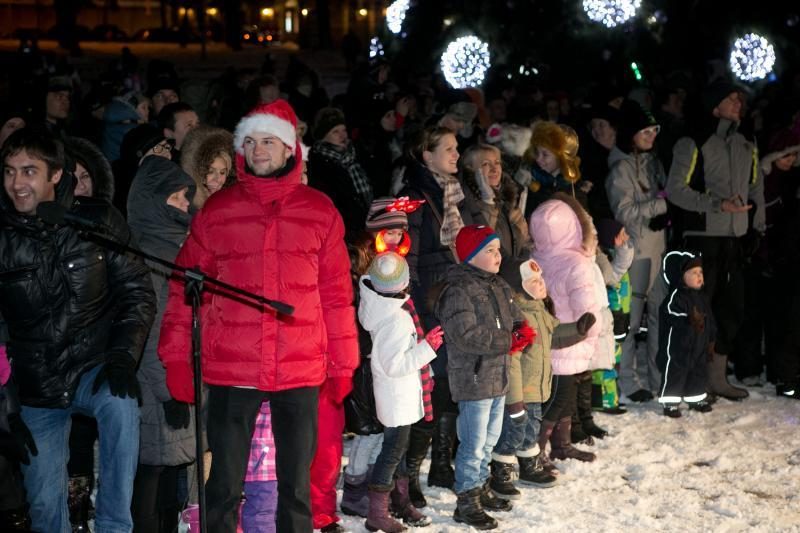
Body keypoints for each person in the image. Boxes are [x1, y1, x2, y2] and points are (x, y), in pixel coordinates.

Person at [158, 99, 358, 533]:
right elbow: (183, 291)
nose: (259, 150)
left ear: (291, 149)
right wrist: (177, 357)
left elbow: (337, 297)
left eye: (269, 141)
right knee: (225, 484)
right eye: (250, 142)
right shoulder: (218, 211)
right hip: (233, 367)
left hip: (300, 367)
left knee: (296, 489)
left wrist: (343, 364)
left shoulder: (320, 211)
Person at [0, 127, 156, 532]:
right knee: (45, 512)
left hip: (94, 364)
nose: (17, 183)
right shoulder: (3, 237)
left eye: (29, 171)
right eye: (9, 171)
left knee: (121, 406)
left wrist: (123, 355)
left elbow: (137, 292)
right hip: (36, 385)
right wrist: (6, 409)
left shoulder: (97, 221)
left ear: (56, 175)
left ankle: (114, 526)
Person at [666, 79, 765, 401]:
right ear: (714, 105)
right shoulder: (693, 141)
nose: (738, 104)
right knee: (697, 313)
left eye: (740, 99)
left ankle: (716, 378)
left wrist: (757, 227)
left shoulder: (745, 142)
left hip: (733, 239)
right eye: (731, 99)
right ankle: (693, 383)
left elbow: (754, 188)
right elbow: (676, 189)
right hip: (702, 238)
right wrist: (715, 204)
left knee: (731, 311)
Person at [434, 225, 533, 530]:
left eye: (498, 249)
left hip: (498, 376)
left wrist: (522, 329)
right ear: (471, 255)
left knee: (488, 441)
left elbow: (516, 317)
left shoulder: (499, 285)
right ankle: (466, 500)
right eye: (489, 250)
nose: (497, 255)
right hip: (473, 380)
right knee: (473, 444)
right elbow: (465, 335)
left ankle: (479, 488)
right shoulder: (458, 290)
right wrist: (509, 340)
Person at [398, 126, 473, 506]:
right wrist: (411, 309)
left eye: (458, 148)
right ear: (426, 154)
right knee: (429, 387)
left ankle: (441, 462)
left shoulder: (453, 194)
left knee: (448, 386)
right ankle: (408, 473)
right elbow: (405, 254)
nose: (457, 154)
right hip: (427, 301)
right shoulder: (414, 196)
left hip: (452, 294)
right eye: (448, 148)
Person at [127, 133, 197, 533]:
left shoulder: (173, 248)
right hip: (158, 385)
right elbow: (150, 333)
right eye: (177, 198)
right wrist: (170, 392)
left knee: (171, 472)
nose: (187, 206)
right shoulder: (150, 255)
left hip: (177, 379)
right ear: (154, 200)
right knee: (152, 471)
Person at [489, 259, 594, 499]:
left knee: (531, 429)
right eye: (534, 281)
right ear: (520, 287)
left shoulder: (539, 311)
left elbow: (555, 334)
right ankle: (501, 470)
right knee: (513, 431)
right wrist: (514, 399)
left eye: (541, 279)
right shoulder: (518, 317)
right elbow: (512, 360)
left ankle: (529, 465)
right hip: (520, 391)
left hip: (536, 389)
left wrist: (578, 328)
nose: (542, 285)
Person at [357, 251, 440, 532]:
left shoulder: (386, 309)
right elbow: (396, 364)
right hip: (397, 396)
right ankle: (377, 512)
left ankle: (400, 502)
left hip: (398, 396)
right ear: (404, 283)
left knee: (398, 451)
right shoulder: (394, 319)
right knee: (392, 452)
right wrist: (428, 348)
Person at [529, 193, 604, 465]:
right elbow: (587, 307)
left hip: (546, 340)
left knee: (563, 397)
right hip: (571, 339)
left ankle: (561, 445)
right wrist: (593, 332)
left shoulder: (536, 257)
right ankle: (535, 452)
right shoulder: (576, 263)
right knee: (559, 399)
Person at [606, 99, 669, 403]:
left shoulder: (654, 163)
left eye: (654, 130)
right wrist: (662, 205)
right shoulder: (620, 168)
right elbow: (624, 210)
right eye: (645, 131)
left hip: (658, 249)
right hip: (636, 252)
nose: (651, 136)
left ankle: (659, 378)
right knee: (631, 321)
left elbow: (665, 193)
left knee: (660, 316)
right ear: (630, 134)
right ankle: (628, 382)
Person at [656, 251, 715, 417]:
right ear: (681, 276)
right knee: (676, 373)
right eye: (694, 273)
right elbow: (670, 314)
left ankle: (694, 398)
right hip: (678, 348)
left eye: (701, 272)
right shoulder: (675, 297)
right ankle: (670, 402)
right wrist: (688, 319)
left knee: (698, 372)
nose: (699, 276)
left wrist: (711, 340)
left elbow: (710, 320)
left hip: (699, 347)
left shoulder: (702, 298)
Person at [308, 106, 373, 237]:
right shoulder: (317, 165)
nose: (343, 135)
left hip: (369, 224)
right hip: (345, 231)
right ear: (323, 136)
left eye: (344, 130)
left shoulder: (357, 153)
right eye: (335, 132)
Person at [179, 126, 235, 209]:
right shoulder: (184, 205)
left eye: (222, 172)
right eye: (210, 171)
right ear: (196, 171)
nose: (217, 179)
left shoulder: (231, 205)